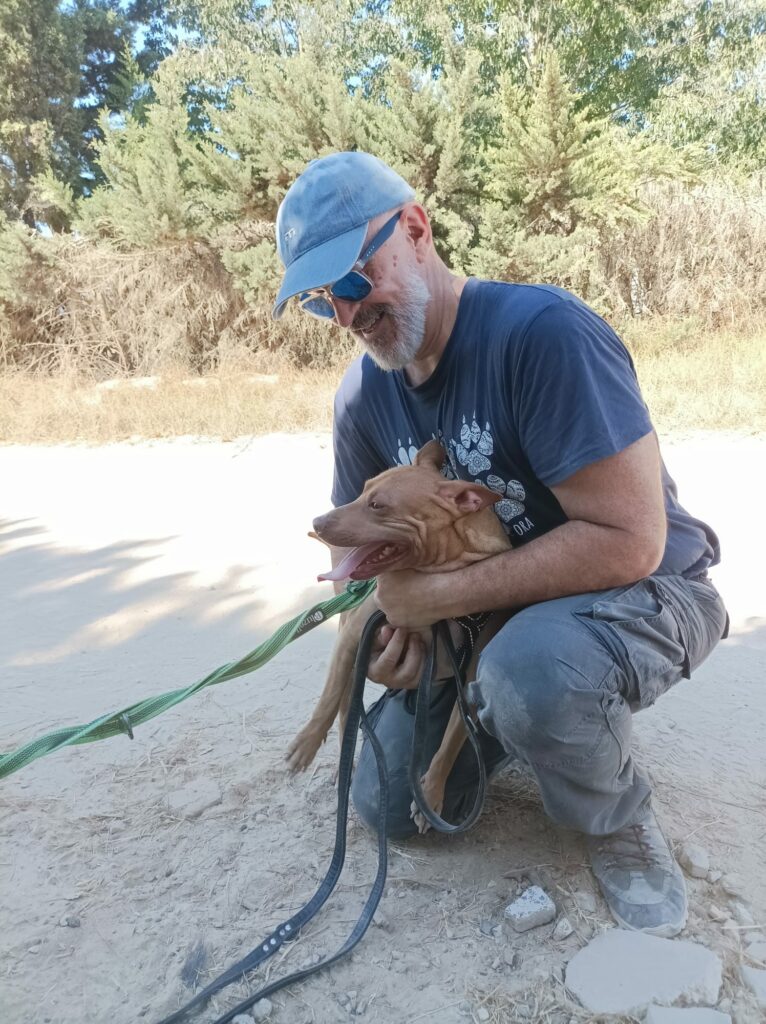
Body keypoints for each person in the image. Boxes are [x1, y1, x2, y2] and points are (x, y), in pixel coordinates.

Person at [271, 151, 729, 938]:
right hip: (493, 626)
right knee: (392, 803)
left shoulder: (542, 334)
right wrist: (385, 636)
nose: (346, 316)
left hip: (650, 591)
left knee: (529, 673)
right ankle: (526, 724)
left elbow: (632, 542)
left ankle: (612, 813)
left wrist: (439, 597)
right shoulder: (361, 398)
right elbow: (358, 570)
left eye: (353, 278)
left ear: (416, 228)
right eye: (322, 302)